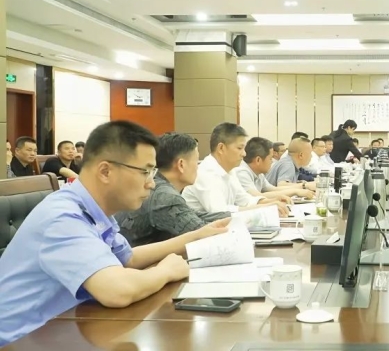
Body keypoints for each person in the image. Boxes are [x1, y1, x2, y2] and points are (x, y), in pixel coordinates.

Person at [0, 121, 230, 345]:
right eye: (146, 172)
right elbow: (117, 291)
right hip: (23, 341)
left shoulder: (92, 209)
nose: (151, 183)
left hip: (65, 329)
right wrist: (166, 271)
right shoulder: (63, 217)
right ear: (105, 171)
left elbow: (128, 258)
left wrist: (197, 236)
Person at [115, 133, 232, 246]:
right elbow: (203, 234)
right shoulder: (165, 196)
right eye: (196, 161)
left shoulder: (160, 186)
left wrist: (235, 217)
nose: (198, 167)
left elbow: (193, 215)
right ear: (181, 165)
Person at [182, 123, 287, 216]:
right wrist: (266, 207)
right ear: (221, 148)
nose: (244, 154)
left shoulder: (229, 171)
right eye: (239, 148)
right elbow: (220, 213)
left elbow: (244, 200)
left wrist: (270, 202)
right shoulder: (205, 173)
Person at [233, 137, 315, 200]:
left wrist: (302, 188)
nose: (272, 161)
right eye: (270, 158)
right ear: (258, 160)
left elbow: (274, 189)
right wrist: (297, 190)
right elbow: (258, 197)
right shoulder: (242, 173)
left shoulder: (259, 173)